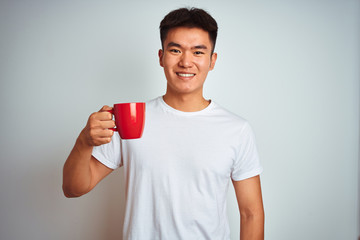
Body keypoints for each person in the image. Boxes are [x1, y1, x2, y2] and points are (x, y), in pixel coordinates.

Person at [63, 7, 264, 240]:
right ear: (161, 57)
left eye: (198, 52)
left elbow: (251, 213)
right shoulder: (131, 119)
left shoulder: (236, 129)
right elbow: (73, 188)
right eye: (176, 50)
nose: (186, 62)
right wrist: (83, 142)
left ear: (212, 60)